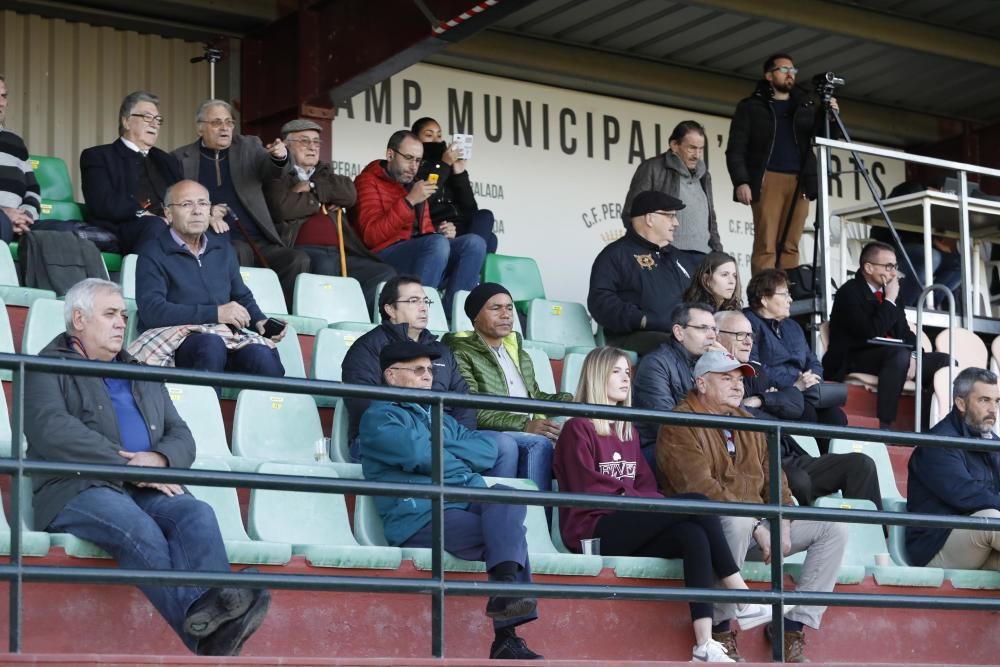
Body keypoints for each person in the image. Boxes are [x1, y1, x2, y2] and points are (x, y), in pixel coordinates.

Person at [22, 278, 270, 656]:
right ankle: (209, 631)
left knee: (196, 513)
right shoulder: (46, 366)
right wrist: (130, 467)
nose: (122, 322)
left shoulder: (139, 369)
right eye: (110, 314)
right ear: (78, 319)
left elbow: (181, 433)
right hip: (77, 487)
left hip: (146, 485)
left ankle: (215, 626)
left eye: (123, 314)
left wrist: (160, 461)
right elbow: (51, 430)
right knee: (138, 528)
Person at [554, 346, 776, 663]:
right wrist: (645, 504)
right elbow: (589, 487)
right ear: (596, 375)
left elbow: (646, 486)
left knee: (692, 534)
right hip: (594, 528)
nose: (624, 379)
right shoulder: (578, 427)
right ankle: (740, 594)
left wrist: (652, 506)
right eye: (615, 371)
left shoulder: (626, 429)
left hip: (629, 520)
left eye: (627, 372)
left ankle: (703, 644)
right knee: (698, 503)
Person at [657, 349, 848, 663]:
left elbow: (778, 480)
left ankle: (789, 627)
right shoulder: (680, 422)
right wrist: (759, 524)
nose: (737, 386)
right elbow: (700, 491)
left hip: (759, 528)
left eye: (740, 379)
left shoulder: (750, 422)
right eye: (726, 378)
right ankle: (720, 630)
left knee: (833, 528)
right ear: (701, 384)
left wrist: (783, 520)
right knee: (738, 521)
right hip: (710, 534)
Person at [359, 340, 542, 660]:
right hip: (420, 512)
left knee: (507, 498)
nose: (428, 375)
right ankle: (506, 635)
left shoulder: (435, 415)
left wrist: (443, 449)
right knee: (509, 536)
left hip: (459, 496)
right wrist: (451, 451)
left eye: (430, 369)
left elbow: (485, 452)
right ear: (391, 375)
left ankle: (503, 591)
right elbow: (421, 455)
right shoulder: (379, 416)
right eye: (418, 370)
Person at [717, 309, 882, 511]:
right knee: (798, 480)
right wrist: (771, 404)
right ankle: (808, 536)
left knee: (860, 465)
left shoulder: (756, 371)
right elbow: (735, 412)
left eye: (751, 335)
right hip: (757, 463)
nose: (748, 341)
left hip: (789, 454)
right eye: (740, 335)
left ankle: (873, 539)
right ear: (717, 336)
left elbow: (795, 405)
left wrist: (761, 400)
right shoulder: (713, 373)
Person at [134, 179, 285, 377]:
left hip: (225, 337)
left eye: (203, 204)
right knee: (210, 345)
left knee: (262, 355)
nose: (197, 211)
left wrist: (259, 321)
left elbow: (241, 296)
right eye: (187, 204)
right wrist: (215, 313)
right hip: (179, 341)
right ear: (168, 214)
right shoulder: (153, 252)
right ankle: (204, 408)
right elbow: (152, 312)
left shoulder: (223, 249)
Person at [173, 100, 309, 301]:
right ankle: (239, 318)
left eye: (229, 122)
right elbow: (177, 201)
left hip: (259, 241)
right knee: (238, 251)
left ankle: (283, 316)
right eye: (217, 122)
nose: (225, 128)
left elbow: (271, 169)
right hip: (214, 241)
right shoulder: (180, 158)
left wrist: (280, 157)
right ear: (200, 128)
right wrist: (207, 212)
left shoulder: (248, 146)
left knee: (297, 259)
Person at [444, 282, 571, 493]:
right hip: (490, 434)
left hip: (524, 429)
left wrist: (571, 400)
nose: (506, 314)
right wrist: (525, 425)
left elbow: (534, 397)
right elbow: (471, 408)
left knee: (582, 439)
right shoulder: (460, 352)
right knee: (538, 444)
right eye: (496, 308)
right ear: (475, 316)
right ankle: (535, 521)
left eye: (510, 308)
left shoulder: (518, 352)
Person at [341, 275, 478, 461]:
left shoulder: (441, 351)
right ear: (390, 309)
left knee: (504, 447)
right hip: (387, 438)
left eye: (425, 301)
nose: (423, 307)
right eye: (413, 301)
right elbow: (365, 407)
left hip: (444, 438)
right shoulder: (366, 348)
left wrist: (458, 439)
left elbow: (464, 401)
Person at [263, 118, 395, 310]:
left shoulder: (324, 173)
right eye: (304, 141)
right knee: (324, 265)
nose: (312, 147)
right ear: (285, 145)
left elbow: (349, 194)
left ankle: (353, 316)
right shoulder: (277, 173)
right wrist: (322, 199)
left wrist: (312, 187)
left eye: (316, 142)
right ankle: (328, 323)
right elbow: (283, 207)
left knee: (383, 273)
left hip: (340, 252)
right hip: (302, 250)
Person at [352, 129, 486, 313]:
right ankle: (417, 313)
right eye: (408, 158)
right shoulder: (367, 181)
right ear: (390, 154)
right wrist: (409, 201)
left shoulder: (414, 184)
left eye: (418, 160)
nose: (414, 166)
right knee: (436, 244)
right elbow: (371, 237)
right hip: (380, 256)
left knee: (474, 243)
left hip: (414, 250)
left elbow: (425, 231)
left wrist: (442, 233)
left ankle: (452, 315)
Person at [726, 53, 835, 275]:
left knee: (791, 243)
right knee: (766, 243)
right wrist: (742, 181)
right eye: (784, 70)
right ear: (769, 75)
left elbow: (827, 138)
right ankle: (764, 293)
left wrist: (830, 116)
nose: (790, 74)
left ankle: (786, 296)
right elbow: (736, 148)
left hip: (800, 180)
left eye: (793, 70)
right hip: (769, 178)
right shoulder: (751, 106)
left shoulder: (806, 105)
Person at [823, 241, 951, 429]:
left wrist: (915, 356)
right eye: (888, 267)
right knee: (898, 355)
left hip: (894, 357)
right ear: (868, 267)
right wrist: (889, 300)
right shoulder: (849, 292)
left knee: (945, 362)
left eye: (895, 267)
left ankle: (928, 424)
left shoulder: (891, 292)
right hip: (855, 356)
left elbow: (906, 333)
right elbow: (869, 331)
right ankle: (885, 424)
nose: (894, 273)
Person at [906, 367, 999, 570]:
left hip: (977, 544)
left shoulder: (992, 442)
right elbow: (966, 495)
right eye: (984, 400)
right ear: (961, 403)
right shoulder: (938, 443)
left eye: (997, 401)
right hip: (935, 546)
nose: (993, 409)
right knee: (992, 519)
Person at [588, 190, 700, 356]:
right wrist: (641, 319)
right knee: (676, 347)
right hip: (632, 338)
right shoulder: (616, 254)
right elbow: (600, 301)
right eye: (670, 216)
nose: (676, 223)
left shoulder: (680, 258)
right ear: (649, 218)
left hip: (681, 335)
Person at [744, 269, 847, 436]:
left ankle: (831, 460)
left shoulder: (793, 326)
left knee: (836, 416)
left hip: (805, 390)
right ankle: (810, 460)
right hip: (776, 393)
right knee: (806, 413)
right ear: (764, 299)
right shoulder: (748, 323)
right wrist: (795, 383)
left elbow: (812, 360)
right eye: (784, 294)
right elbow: (755, 366)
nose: (790, 300)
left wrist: (811, 379)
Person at [80, 90, 183, 253]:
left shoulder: (166, 160)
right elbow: (102, 202)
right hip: (123, 228)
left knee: (214, 231)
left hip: (168, 225)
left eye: (158, 120)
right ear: (126, 122)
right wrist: (142, 213)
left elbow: (182, 195)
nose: (154, 124)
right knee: (156, 226)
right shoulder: (98, 156)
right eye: (147, 117)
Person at [622, 120, 723, 255]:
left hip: (703, 258)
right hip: (668, 257)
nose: (697, 155)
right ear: (674, 145)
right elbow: (631, 214)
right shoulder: (652, 168)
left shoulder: (705, 175)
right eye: (692, 148)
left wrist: (718, 253)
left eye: (701, 149)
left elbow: (711, 220)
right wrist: (651, 251)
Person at [633, 302, 717, 458]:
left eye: (714, 329)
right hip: (661, 450)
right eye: (703, 328)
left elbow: (734, 412)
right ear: (679, 332)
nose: (712, 335)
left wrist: (725, 364)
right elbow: (667, 427)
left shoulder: (710, 365)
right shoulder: (656, 364)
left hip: (703, 447)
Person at [411, 116, 498, 253]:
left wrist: (459, 173)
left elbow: (470, 210)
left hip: (460, 227)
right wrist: (444, 165)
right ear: (415, 139)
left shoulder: (450, 166)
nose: (436, 140)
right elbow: (426, 198)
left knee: (485, 216)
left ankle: (467, 264)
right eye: (429, 135)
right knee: (490, 240)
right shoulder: (414, 166)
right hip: (438, 228)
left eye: (439, 135)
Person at [872, 180, 961, 309]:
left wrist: (935, 243)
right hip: (892, 244)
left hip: (918, 249)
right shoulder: (912, 187)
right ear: (940, 188)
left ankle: (927, 304)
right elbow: (906, 216)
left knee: (959, 263)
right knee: (932, 257)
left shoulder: (936, 203)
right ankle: (903, 306)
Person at [0, 74, 47, 242]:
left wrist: (25, 216)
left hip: (20, 222)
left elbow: (32, 190)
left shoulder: (15, 143)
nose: (1, 103)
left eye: (3, 96)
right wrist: (5, 213)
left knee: (67, 231)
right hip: (2, 220)